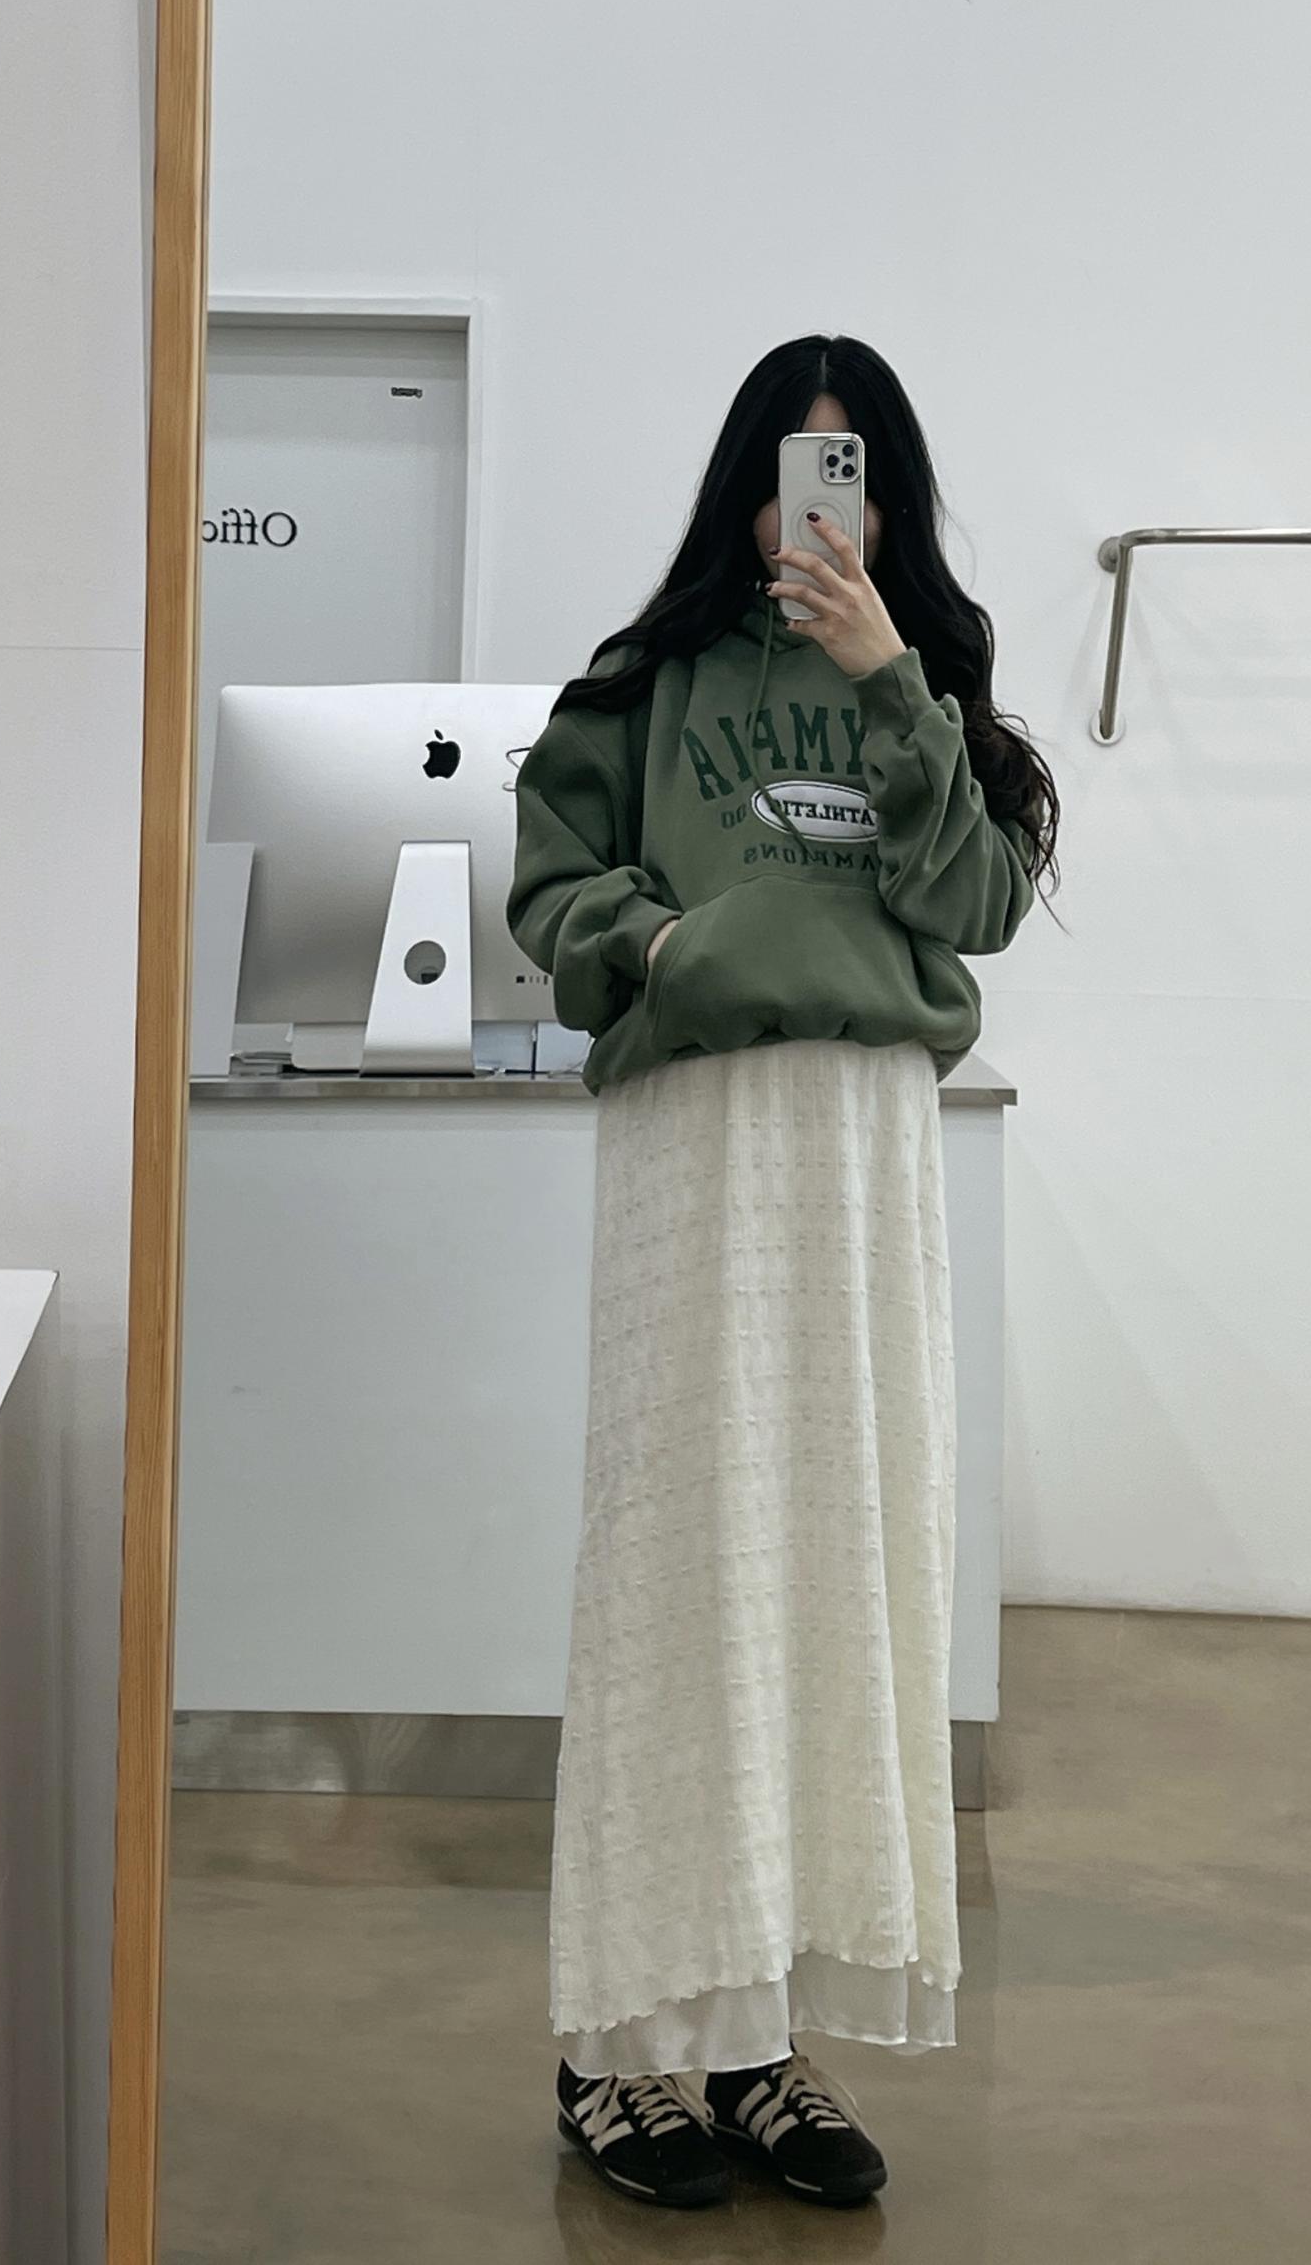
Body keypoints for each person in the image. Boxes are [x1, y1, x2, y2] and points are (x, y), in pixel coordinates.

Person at [506, 334, 1059, 2212]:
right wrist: (666, 950)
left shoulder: (930, 683)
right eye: (792, 469)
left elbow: (973, 906)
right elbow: (550, 888)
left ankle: (758, 2040)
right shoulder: (641, 684)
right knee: (681, 1574)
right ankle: (617, 2049)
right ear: (743, 486)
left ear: (890, 501)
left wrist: (891, 678)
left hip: (866, 1153)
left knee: (840, 1573)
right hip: (699, 1137)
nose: (818, 509)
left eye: (854, 474)